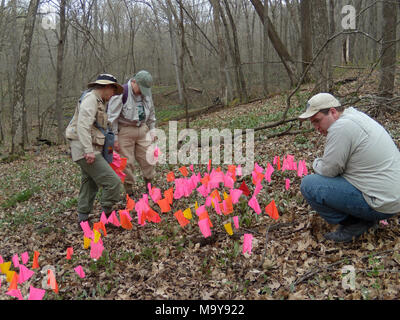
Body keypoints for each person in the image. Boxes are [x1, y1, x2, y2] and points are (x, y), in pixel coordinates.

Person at [299, 93, 400, 243]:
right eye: (313, 123)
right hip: (391, 198)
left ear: (333, 112)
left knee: (309, 184)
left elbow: (328, 171)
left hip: (380, 202)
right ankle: (365, 218)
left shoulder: (341, 127)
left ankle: (355, 224)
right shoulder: (355, 116)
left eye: (318, 121)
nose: (316, 128)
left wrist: (316, 163)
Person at [65, 74, 124, 224]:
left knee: (89, 183)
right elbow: (82, 126)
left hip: (89, 148)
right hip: (85, 148)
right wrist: (88, 150)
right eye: (112, 90)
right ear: (106, 87)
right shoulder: (90, 100)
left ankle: (83, 218)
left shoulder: (99, 101)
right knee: (113, 182)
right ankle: (107, 215)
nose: (112, 95)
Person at [107, 70, 157, 197]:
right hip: (125, 129)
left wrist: (152, 129)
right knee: (127, 162)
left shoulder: (147, 94)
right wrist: (115, 138)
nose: (142, 92)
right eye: (141, 88)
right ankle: (129, 191)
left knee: (149, 157)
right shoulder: (121, 93)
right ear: (134, 82)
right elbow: (112, 118)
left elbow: (151, 113)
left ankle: (149, 185)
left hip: (142, 128)